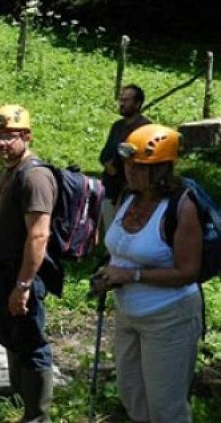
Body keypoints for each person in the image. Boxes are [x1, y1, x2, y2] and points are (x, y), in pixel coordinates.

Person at [92, 124, 202, 422]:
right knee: (132, 397)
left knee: (166, 408)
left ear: (163, 168)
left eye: (141, 166)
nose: (131, 170)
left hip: (170, 318)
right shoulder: (128, 196)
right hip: (128, 315)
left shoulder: (182, 206)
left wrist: (132, 277)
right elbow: (121, 250)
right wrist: (108, 273)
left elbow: (187, 271)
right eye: (128, 163)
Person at [0, 105, 56, 421]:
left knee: (30, 340)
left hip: (22, 272)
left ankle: (37, 415)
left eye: (10, 137)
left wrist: (23, 285)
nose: (1, 143)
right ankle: (19, 395)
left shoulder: (35, 176)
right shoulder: (10, 169)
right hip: (3, 267)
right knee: (9, 331)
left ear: (26, 136)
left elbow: (38, 235)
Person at [98, 84, 150, 233]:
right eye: (121, 99)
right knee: (110, 231)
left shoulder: (145, 128)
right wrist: (111, 168)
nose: (121, 103)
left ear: (137, 103)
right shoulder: (117, 126)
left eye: (126, 100)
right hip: (111, 187)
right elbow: (105, 155)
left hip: (131, 190)